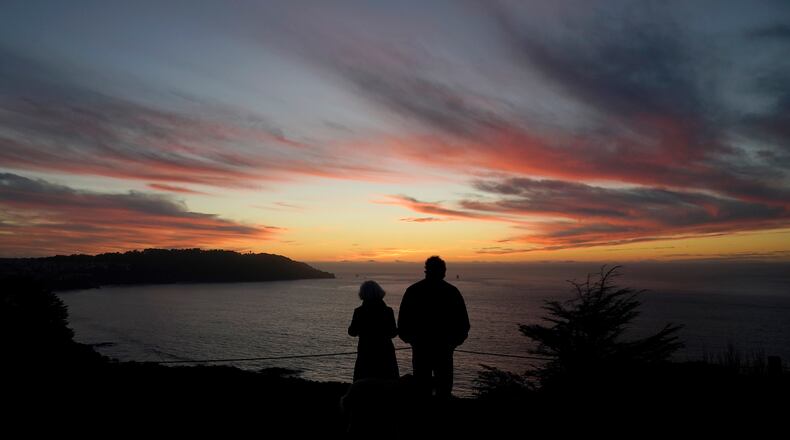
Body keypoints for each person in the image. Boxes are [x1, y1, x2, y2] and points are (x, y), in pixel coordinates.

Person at [398, 256, 470, 399]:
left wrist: (412, 340)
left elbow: (403, 323)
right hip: (444, 349)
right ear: (443, 272)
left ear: (426, 271)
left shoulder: (413, 291)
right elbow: (463, 324)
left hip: (421, 348)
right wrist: (453, 343)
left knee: (421, 389)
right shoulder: (452, 292)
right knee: (444, 389)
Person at [348, 280, 399, 382]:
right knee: (387, 383)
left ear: (362, 294)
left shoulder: (359, 312)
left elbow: (352, 332)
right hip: (385, 352)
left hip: (366, 352)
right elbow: (393, 333)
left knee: (364, 384)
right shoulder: (388, 311)